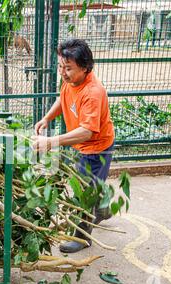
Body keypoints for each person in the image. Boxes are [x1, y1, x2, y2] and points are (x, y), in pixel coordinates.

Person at [32, 39, 115, 253]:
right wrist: (47, 118)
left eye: (68, 68)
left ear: (85, 68)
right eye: (61, 66)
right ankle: (103, 209)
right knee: (88, 185)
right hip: (82, 146)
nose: (63, 72)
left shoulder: (93, 92)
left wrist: (50, 142)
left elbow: (87, 131)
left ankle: (81, 238)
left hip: (97, 149)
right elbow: (63, 99)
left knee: (83, 195)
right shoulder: (71, 81)